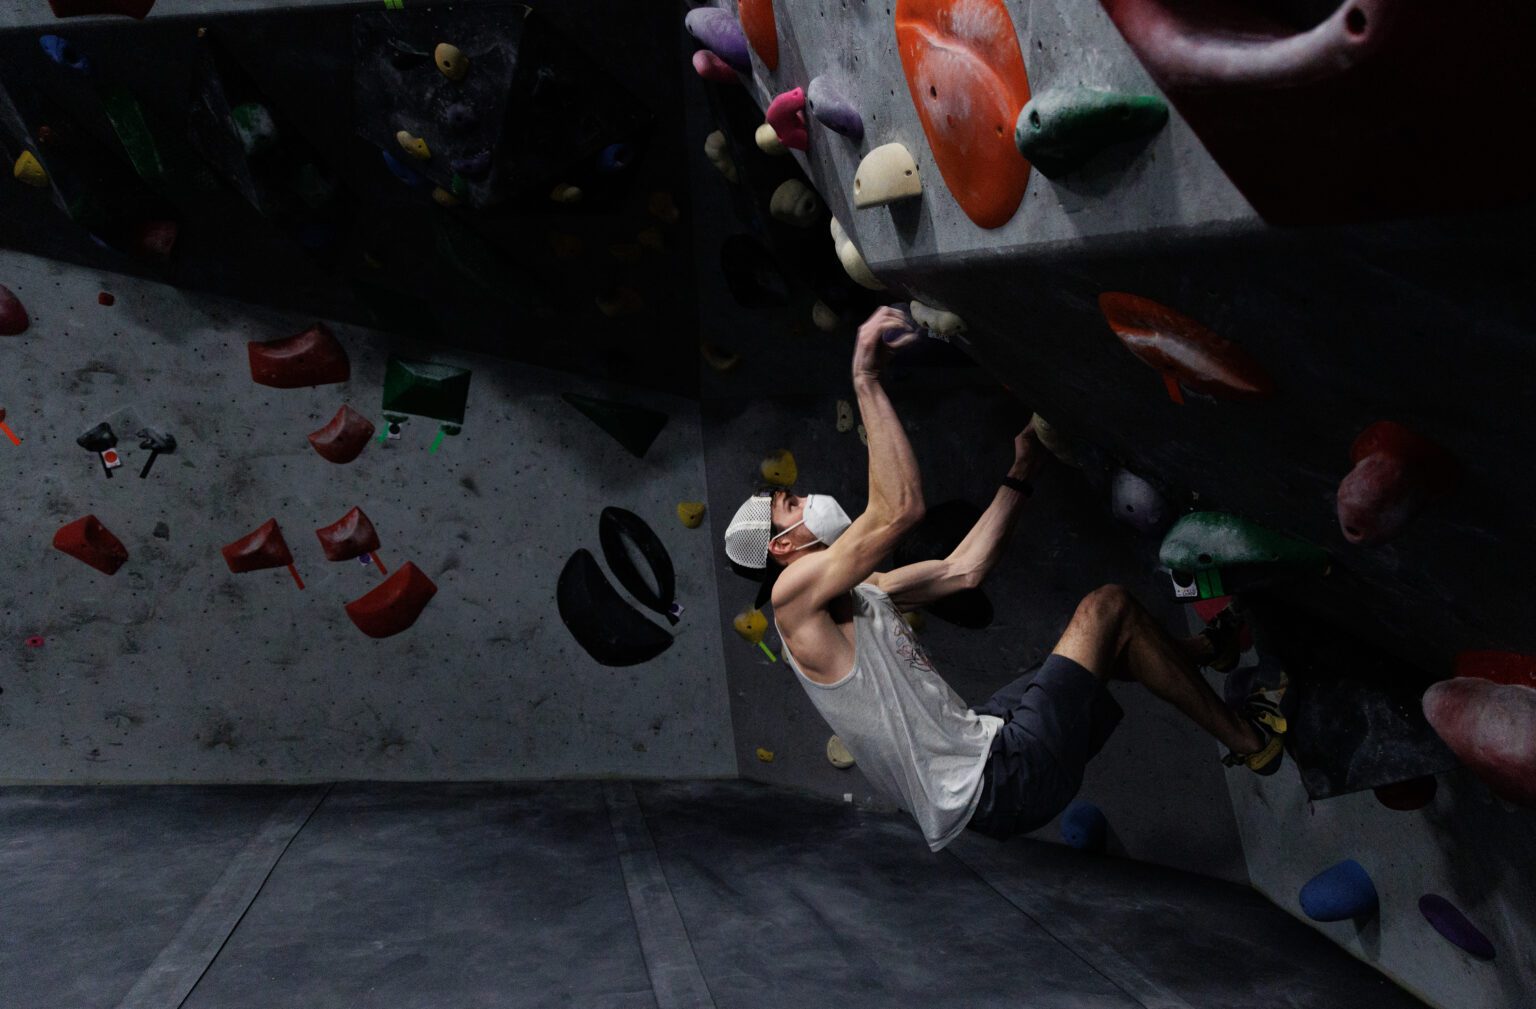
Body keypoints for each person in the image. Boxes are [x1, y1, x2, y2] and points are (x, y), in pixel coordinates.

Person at [722, 306, 1286, 852]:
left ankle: (1203, 650)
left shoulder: (863, 594)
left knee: (1090, 654)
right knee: (1108, 607)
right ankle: (1252, 740)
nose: (806, 498)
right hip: (993, 783)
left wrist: (1021, 470)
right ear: (783, 546)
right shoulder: (789, 600)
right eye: (791, 504)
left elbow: (962, 570)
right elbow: (898, 510)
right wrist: (866, 378)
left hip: (985, 739)